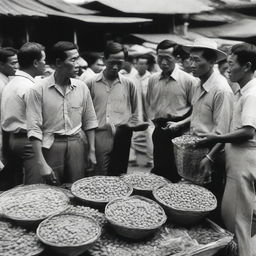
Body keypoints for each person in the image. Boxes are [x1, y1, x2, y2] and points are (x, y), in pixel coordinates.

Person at [198, 43, 256, 256]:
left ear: (247, 66)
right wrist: (211, 155)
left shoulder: (251, 94)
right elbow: (234, 128)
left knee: (239, 221)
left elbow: (248, 132)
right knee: (232, 216)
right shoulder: (241, 91)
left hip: (244, 163)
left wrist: (215, 137)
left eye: (231, 64)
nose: (227, 69)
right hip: (235, 163)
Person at [26, 41, 98, 185]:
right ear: (58, 62)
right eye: (73, 60)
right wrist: (41, 163)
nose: (79, 63)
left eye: (78, 58)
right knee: (52, 189)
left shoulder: (82, 87)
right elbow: (34, 129)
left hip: (77, 143)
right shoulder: (38, 90)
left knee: (77, 186)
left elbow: (90, 120)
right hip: (51, 145)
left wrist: (91, 151)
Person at [182, 38, 234, 224]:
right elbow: (198, 115)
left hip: (213, 154)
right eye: (190, 59)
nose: (191, 64)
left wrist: (209, 158)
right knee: (196, 203)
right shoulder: (198, 84)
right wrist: (181, 124)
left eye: (196, 60)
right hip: (196, 150)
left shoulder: (221, 90)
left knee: (212, 205)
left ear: (211, 62)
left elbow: (223, 132)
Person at [146, 40, 197, 182]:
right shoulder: (153, 79)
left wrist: (180, 124)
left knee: (177, 174)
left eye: (167, 58)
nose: (163, 62)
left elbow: (196, 111)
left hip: (179, 132)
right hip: (159, 131)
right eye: (160, 58)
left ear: (177, 58)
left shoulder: (189, 81)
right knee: (159, 172)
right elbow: (150, 102)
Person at [86, 42, 140, 176]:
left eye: (120, 63)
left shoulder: (129, 84)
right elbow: (84, 113)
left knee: (120, 175)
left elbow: (135, 112)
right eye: (111, 62)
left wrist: (132, 126)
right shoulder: (90, 83)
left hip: (122, 135)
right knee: (100, 174)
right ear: (104, 60)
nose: (115, 67)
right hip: (99, 135)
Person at [1, 42, 46, 185]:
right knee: (35, 184)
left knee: (19, 181)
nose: (45, 64)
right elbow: (39, 118)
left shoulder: (13, 82)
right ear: (35, 63)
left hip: (12, 139)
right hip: (28, 140)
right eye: (44, 60)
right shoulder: (29, 87)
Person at [131, 54, 153, 167]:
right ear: (136, 64)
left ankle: (151, 160)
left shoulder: (151, 79)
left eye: (144, 64)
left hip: (149, 112)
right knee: (133, 135)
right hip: (135, 111)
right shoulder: (132, 78)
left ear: (147, 65)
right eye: (139, 63)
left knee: (150, 136)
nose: (141, 66)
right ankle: (133, 158)